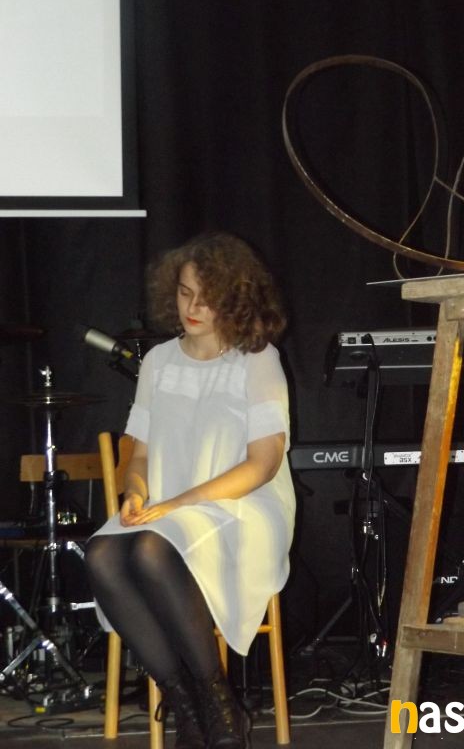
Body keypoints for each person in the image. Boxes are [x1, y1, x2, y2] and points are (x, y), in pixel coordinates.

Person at [85, 231, 296, 749]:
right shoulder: (158, 362)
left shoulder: (257, 359)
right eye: (184, 293)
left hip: (242, 507)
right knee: (103, 554)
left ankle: (219, 705)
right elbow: (139, 456)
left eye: (206, 296)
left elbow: (263, 464)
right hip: (170, 510)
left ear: (234, 299)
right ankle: (187, 705)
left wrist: (178, 503)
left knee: (152, 550)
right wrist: (135, 493)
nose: (192, 307)